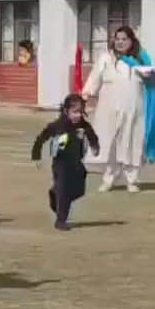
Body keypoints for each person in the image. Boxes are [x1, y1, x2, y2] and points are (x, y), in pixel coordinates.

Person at [82, 26, 155, 193]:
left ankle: (132, 180)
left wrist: (149, 76)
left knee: (133, 142)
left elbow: (154, 82)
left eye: (124, 39)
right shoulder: (106, 58)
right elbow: (94, 78)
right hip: (109, 108)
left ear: (131, 41)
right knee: (110, 143)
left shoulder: (140, 59)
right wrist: (85, 94)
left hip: (134, 108)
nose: (120, 42)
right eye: (117, 39)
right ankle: (109, 178)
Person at [32, 94, 101, 231]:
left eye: (80, 112)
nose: (78, 115)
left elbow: (92, 136)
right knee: (64, 190)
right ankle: (61, 220)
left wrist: (95, 147)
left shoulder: (83, 125)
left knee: (78, 190)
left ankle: (54, 194)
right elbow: (41, 139)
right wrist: (36, 156)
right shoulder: (58, 125)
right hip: (61, 163)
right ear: (66, 111)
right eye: (74, 112)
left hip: (76, 162)